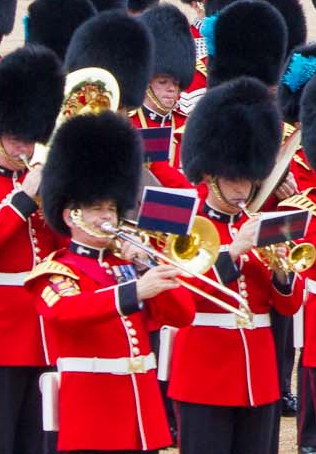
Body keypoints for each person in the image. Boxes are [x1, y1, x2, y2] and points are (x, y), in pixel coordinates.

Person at [30, 108, 197, 454]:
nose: (107, 216)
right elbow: (67, 312)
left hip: (140, 406)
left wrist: (152, 264)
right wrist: (135, 290)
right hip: (93, 409)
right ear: (70, 215)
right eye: (95, 208)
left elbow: (182, 315)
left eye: (111, 208)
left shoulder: (127, 264)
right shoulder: (58, 270)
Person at [169, 78, 302, 454]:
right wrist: (232, 253)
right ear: (210, 175)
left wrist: (283, 273)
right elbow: (181, 298)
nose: (243, 189)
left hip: (258, 372)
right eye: (234, 179)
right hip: (204, 372)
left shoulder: (261, 222)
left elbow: (288, 307)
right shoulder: (186, 222)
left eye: (248, 178)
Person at [0, 47, 61, 454]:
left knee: (38, 441)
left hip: (43, 329)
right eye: (15, 137)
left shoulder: (41, 182)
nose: (24, 147)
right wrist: (22, 200)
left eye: (30, 138)